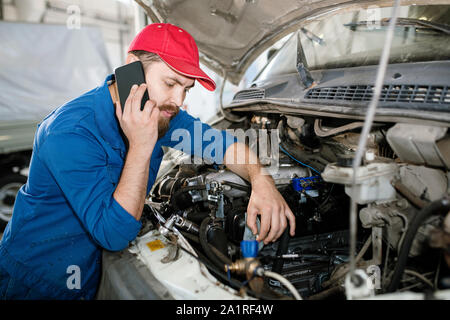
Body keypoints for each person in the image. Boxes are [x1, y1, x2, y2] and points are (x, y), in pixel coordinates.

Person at [0, 23, 295, 300]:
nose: (179, 101)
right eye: (170, 83)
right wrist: (141, 144)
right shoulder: (70, 132)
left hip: (90, 271)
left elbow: (226, 146)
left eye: (186, 89)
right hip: (37, 279)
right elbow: (113, 233)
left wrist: (261, 180)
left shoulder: (162, 113)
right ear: (132, 69)